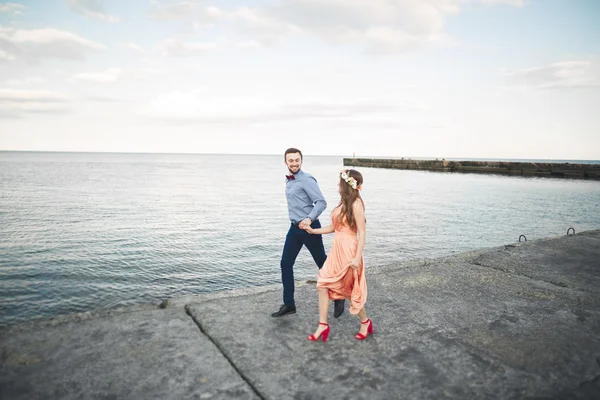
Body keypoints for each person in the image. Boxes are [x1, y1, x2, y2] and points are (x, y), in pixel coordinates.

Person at [271, 148, 346, 318]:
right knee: (285, 264)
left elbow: (321, 202)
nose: (294, 163)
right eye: (291, 160)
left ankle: (339, 295)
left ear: (301, 161)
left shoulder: (307, 179)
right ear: (285, 162)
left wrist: (309, 219)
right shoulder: (289, 181)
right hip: (294, 228)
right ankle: (289, 304)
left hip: (309, 228)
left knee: (322, 263)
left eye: (297, 160)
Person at [305, 169, 372, 341]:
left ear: (346, 184)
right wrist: (314, 231)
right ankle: (322, 325)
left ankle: (365, 322)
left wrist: (357, 257)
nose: (337, 185)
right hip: (336, 250)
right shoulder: (342, 203)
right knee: (322, 284)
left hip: (349, 250)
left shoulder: (356, 204)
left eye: (339, 182)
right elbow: (334, 227)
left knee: (349, 289)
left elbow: (362, 233)